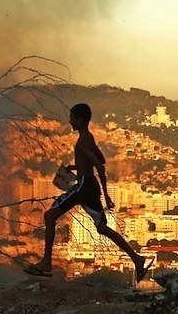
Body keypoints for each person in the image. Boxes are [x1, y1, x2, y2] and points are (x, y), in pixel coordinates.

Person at [24, 103, 152, 280]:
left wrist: (106, 195)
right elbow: (101, 158)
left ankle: (46, 263)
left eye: (72, 118)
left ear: (80, 119)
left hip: (84, 185)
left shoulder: (83, 140)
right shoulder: (89, 138)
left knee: (50, 216)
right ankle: (137, 259)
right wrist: (79, 165)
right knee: (102, 227)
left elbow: (99, 165)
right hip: (90, 185)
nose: (69, 121)